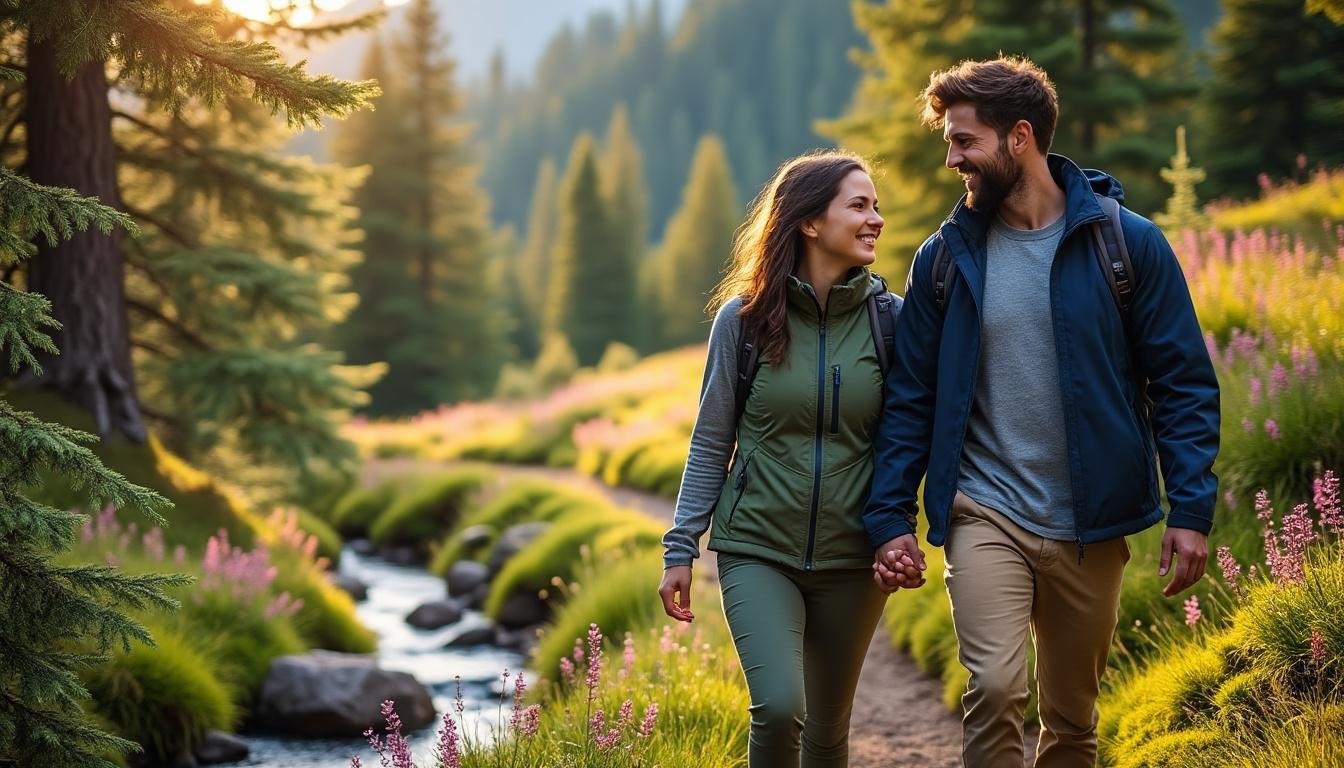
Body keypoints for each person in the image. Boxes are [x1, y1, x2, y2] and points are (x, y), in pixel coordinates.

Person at [864, 57, 1220, 767]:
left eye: (964, 141)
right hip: (984, 509)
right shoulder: (945, 259)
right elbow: (912, 399)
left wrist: (1191, 509)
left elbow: (1182, 383)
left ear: (1018, 137)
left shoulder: (1128, 244)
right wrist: (889, 518)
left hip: (1094, 519)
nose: (951, 158)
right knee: (995, 690)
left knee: (1072, 718)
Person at [658, 150, 917, 767]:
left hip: (854, 557)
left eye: (876, 205)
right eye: (859, 205)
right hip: (757, 548)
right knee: (778, 708)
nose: (875, 218)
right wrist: (681, 545)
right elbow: (712, 437)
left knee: (828, 731)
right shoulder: (743, 320)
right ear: (808, 221)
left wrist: (897, 529)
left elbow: (905, 441)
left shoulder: (892, 321)